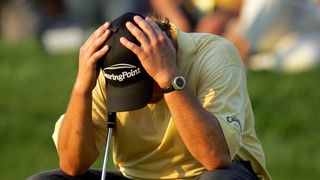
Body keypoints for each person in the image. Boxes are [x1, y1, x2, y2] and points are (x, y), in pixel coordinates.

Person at [28, 12, 271, 179]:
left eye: (145, 86)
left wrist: (169, 79)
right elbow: (72, 165)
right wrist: (82, 88)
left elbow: (216, 158)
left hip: (214, 174)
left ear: (168, 54)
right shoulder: (111, 69)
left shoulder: (215, 54)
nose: (142, 100)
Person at [224, 0, 320, 73]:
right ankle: (237, 48)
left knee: (313, 54)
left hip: (302, 19)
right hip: (265, 22)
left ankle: (254, 63)